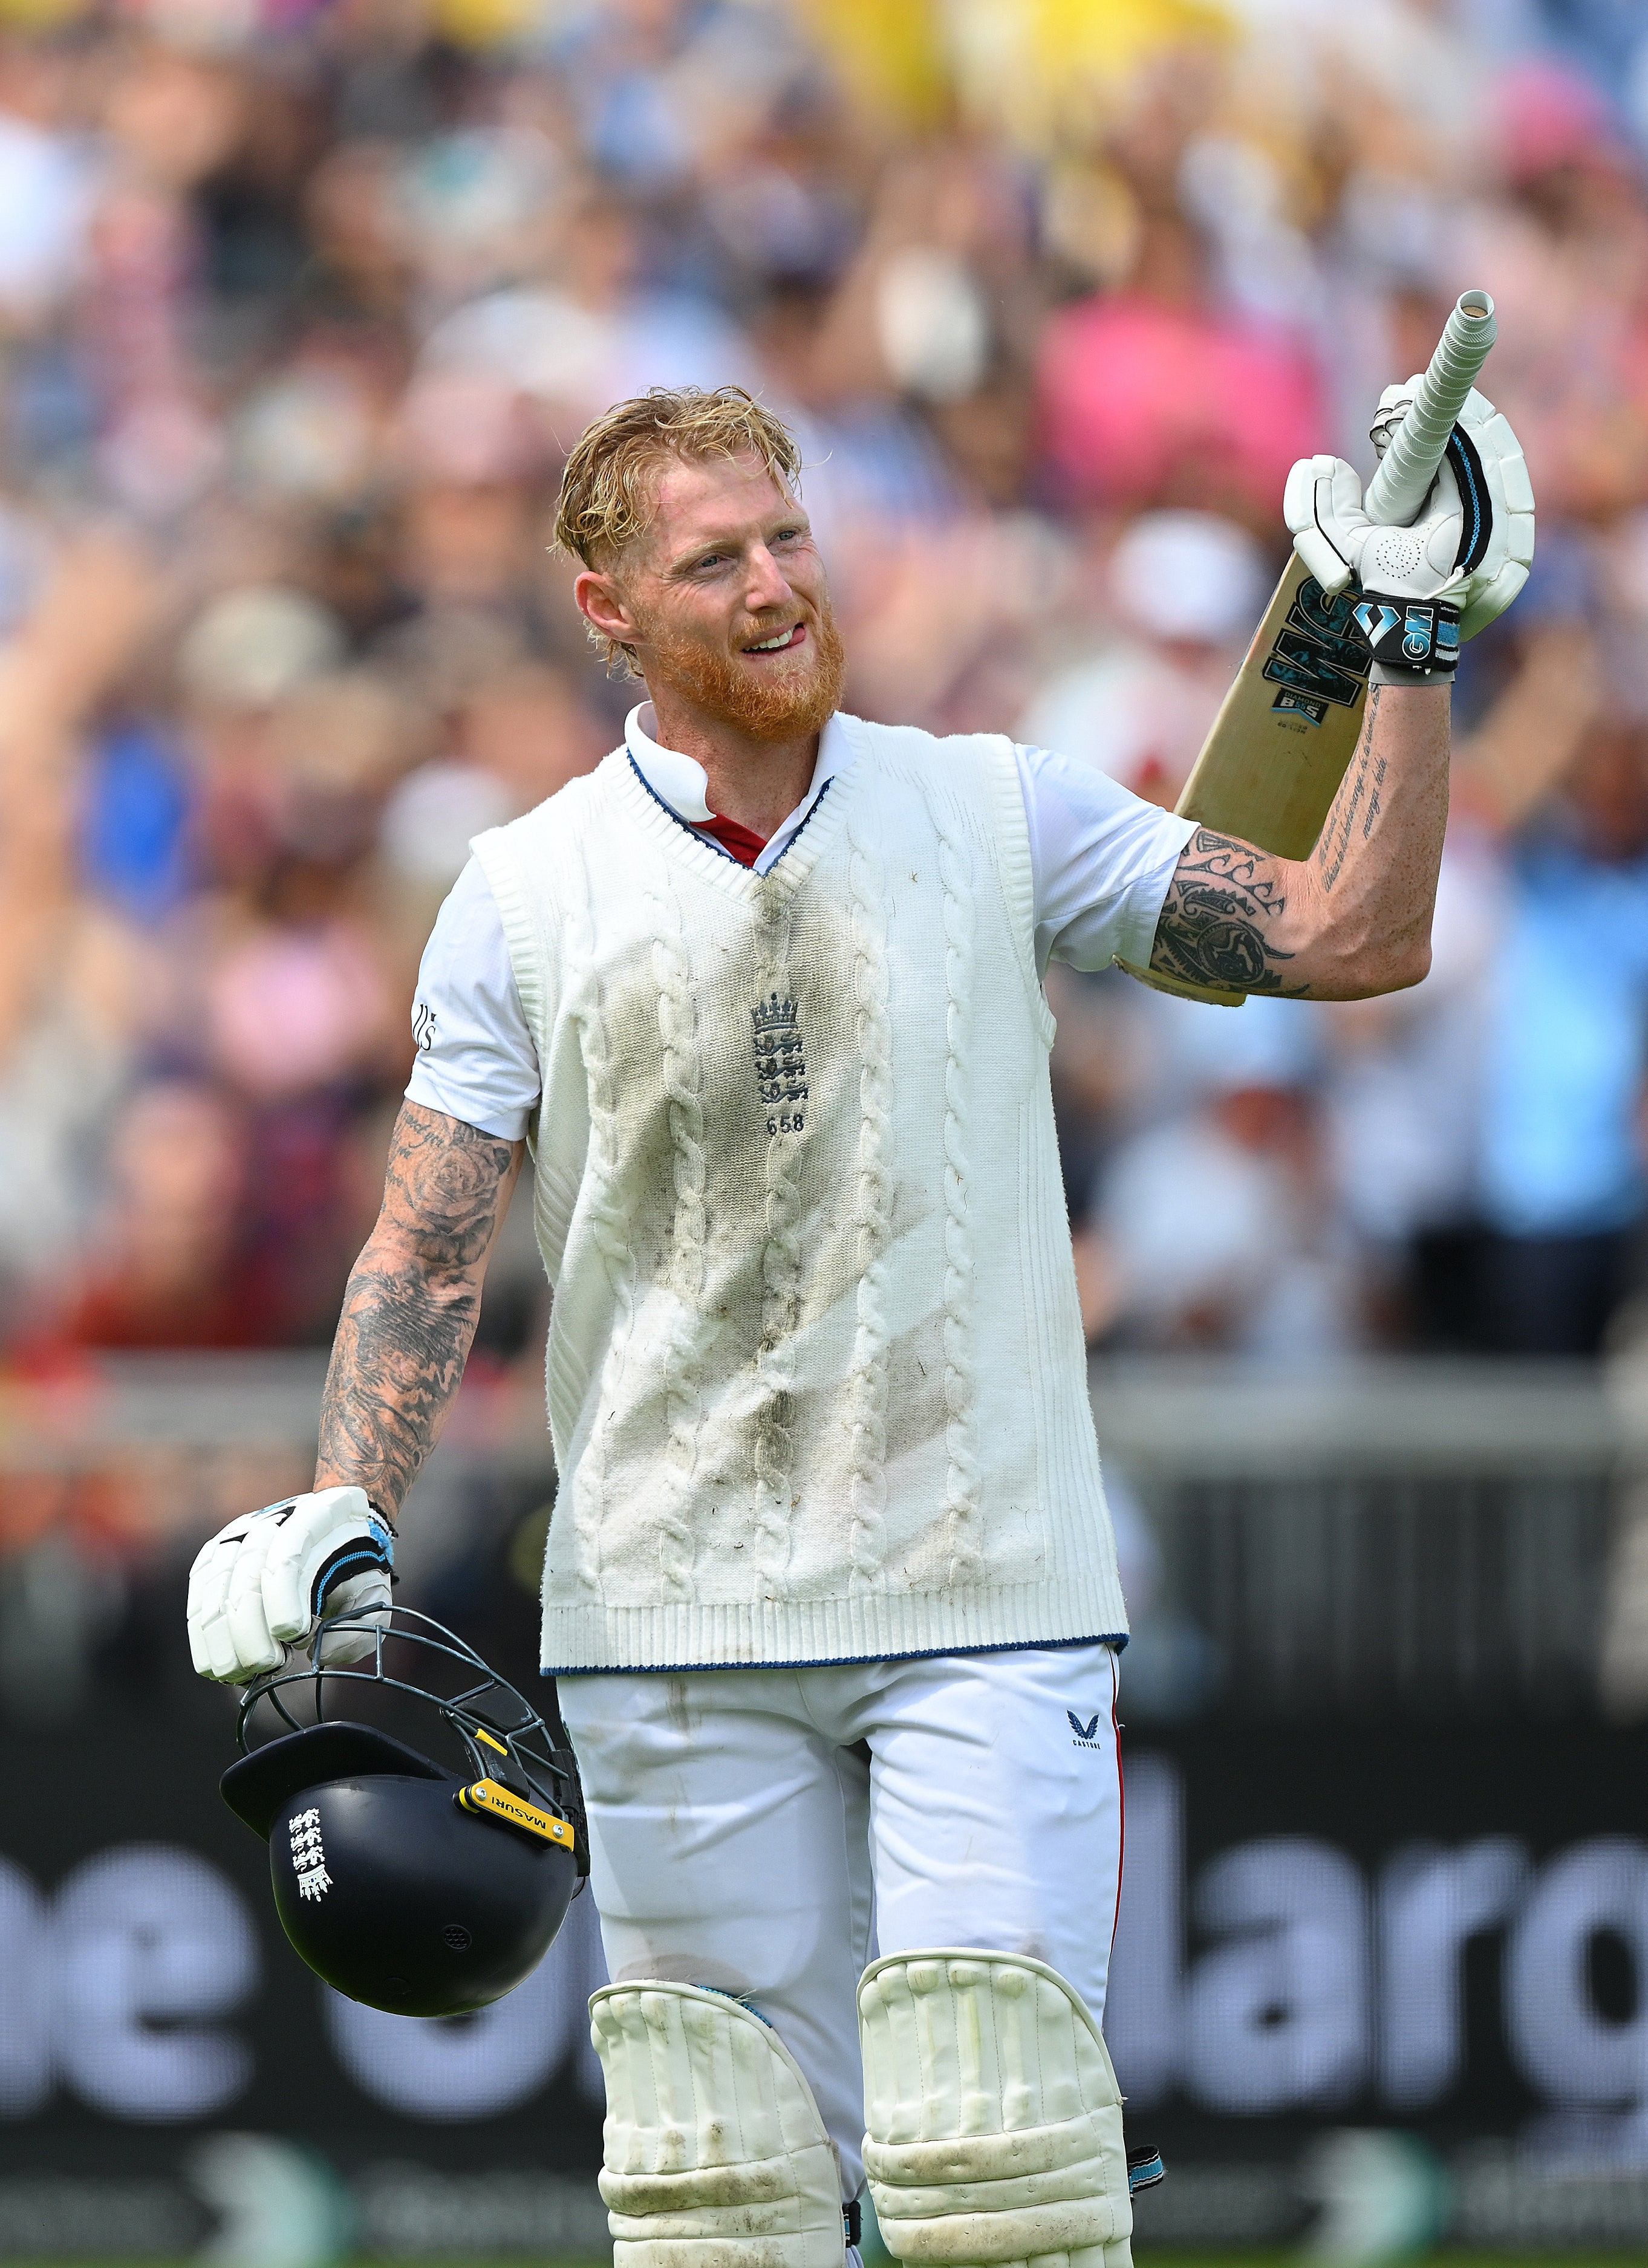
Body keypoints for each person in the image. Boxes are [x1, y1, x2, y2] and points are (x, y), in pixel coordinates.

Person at [186, 383, 1529, 2267]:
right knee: (723, 2210)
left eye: (788, 538)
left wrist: (1408, 644)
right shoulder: (519, 896)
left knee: (1006, 2179)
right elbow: (424, 1249)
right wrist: (350, 1511)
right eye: (711, 559)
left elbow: (1351, 933)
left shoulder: (992, 804)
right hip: (666, 1612)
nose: (772, 585)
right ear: (605, 612)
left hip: (983, 1587)